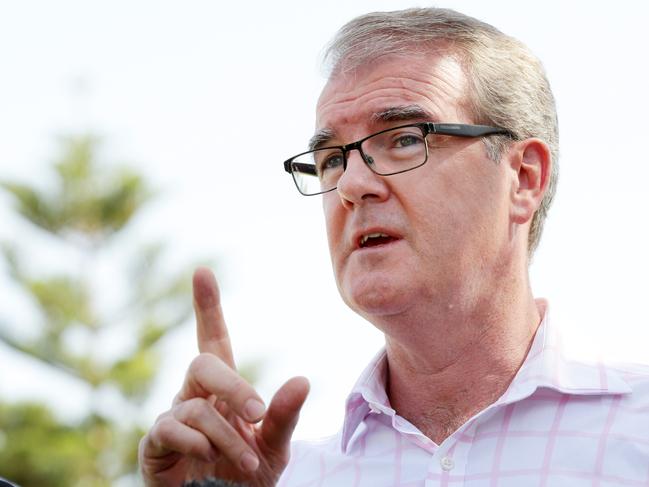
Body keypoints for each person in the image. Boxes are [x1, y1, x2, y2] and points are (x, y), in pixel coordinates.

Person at [139, 7, 649, 487]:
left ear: (523, 177)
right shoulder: (285, 477)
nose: (351, 184)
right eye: (332, 158)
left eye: (404, 138)